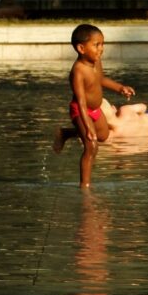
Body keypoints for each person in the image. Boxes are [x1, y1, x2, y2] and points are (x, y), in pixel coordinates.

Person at [61, 23, 135, 188]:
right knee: (91, 146)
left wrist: (119, 87)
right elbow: (80, 100)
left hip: (95, 109)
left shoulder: (96, 62)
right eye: (96, 45)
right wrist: (87, 126)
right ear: (81, 48)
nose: (101, 49)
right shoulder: (78, 71)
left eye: (102, 44)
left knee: (103, 136)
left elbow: (100, 79)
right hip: (81, 111)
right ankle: (85, 186)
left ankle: (66, 134)